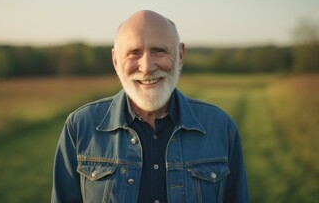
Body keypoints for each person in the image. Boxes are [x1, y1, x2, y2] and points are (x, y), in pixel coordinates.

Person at [51, 10, 249, 202]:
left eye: (159, 51)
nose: (147, 67)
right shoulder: (79, 127)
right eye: (134, 53)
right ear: (116, 61)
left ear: (180, 55)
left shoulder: (221, 128)